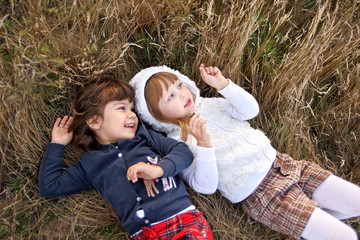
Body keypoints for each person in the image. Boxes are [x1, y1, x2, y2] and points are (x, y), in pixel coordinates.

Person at [130, 64, 360, 240]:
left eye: (178, 85)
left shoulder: (210, 104)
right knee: (346, 236)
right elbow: (205, 187)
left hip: (284, 165)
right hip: (264, 195)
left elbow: (250, 111)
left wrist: (223, 85)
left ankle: (313, 224)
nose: (181, 94)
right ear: (155, 115)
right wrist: (203, 143)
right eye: (170, 97)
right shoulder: (178, 143)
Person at [38, 75, 213, 239]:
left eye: (132, 109)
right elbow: (50, 187)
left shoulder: (144, 136)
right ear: (94, 121)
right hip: (141, 234)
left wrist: (159, 170)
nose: (132, 114)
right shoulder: (90, 163)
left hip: (182, 220)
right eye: (122, 108)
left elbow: (183, 152)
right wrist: (58, 144)